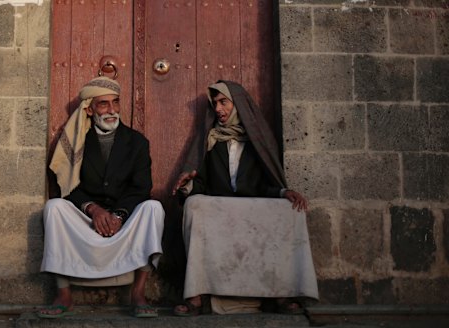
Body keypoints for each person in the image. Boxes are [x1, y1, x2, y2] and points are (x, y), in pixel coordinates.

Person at [171, 80, 318, 316]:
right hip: (221, 207)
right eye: (215, 104)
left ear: (237, 104)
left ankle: (283, 294)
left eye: (223, 102)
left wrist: (283, 192)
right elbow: (202, 183)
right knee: (193, 205)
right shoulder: (211, 141)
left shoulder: (256, 141)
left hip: (252, 208)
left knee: (289, 209)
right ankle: (195, 297)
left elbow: (265, 183)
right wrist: (187, 185)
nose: (218, 109)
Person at [39, 76, 165, 319]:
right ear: (89, 109)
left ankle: (138, 294)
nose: (111, 110)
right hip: (87, 219)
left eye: (115, 103)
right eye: (103, 104)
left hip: (123, 221)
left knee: (153, 208)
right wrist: (93, 209)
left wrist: (118, 215)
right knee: (54, 208)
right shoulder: (77, 141)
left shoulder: (137, 142)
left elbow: (141, 188)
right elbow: (67, 186)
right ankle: (64, 295)